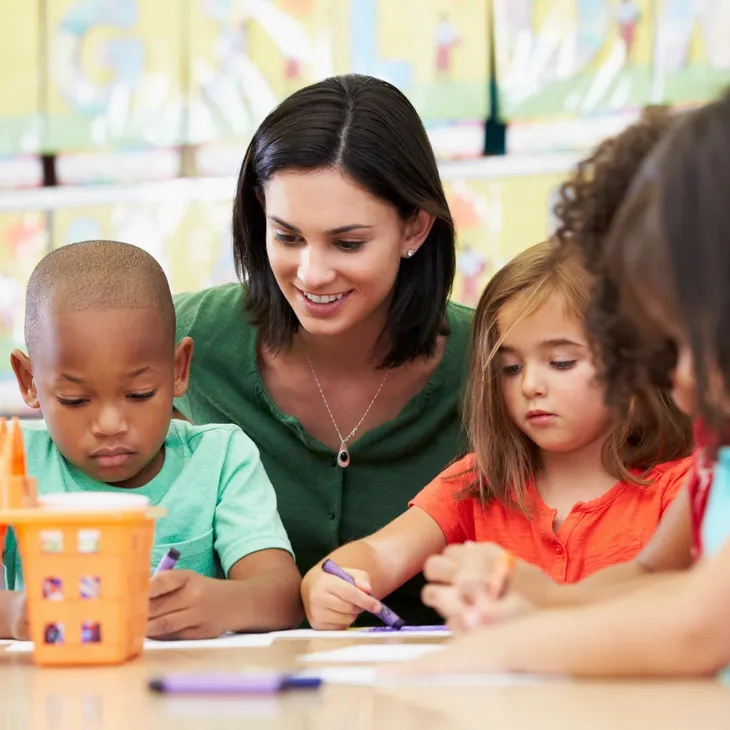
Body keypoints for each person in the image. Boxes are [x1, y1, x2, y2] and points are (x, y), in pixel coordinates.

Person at [398, 90, 730, 679]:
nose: (669, 378)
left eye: (684, 344)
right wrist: (539, 600)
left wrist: (499, 651)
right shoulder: (716, 450)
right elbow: (654, 579)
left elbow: (696, 629)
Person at [173, 74, 473, 625]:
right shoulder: (186, 336)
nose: (311, 272)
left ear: (415, 229)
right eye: (287, 236)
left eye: (348, 242)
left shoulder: (496, 358)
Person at [301, 239, 692, 630]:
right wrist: (327, 584)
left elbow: (685, 613)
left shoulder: (684, 489)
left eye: (560, 362)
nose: (530, 386)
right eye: (510, 368)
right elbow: (379, 554)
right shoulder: (478, 482)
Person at [0, 240, 302, 641]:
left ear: (179, 369)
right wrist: (15, 612)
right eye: (74, 400)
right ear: (28, 380)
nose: (110, 424)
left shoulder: (220, 458)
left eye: (139, 394)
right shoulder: (13, 467)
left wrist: (221, 603)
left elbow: (284, 598)